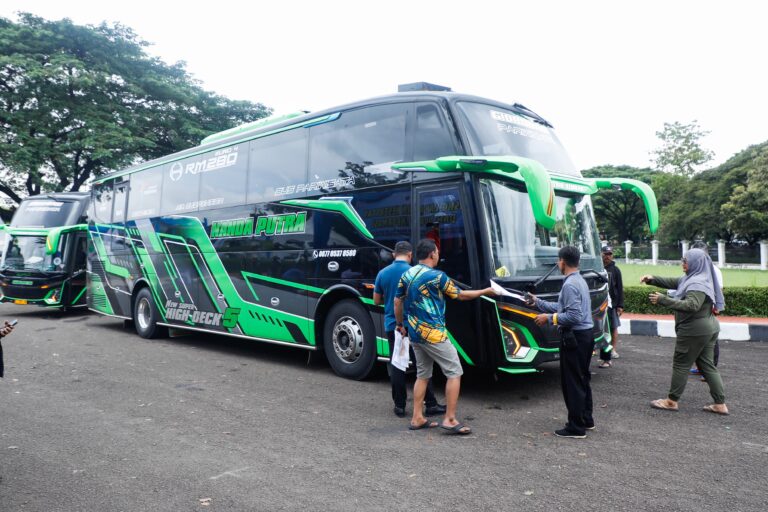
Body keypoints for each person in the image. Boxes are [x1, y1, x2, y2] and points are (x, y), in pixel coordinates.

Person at [394, 239, 497, 434]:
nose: (438, 255)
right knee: (454, 372)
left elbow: (397, 302)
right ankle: (449, 419)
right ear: (432, 254)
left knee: (422, 375)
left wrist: (400, 325)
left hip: (415, 332)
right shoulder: (437, 277)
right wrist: (486, 291)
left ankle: (417, 417)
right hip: (434, 334)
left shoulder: (406, 275)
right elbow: (460, 295)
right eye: (437, 252)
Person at [642, 248, 729, 415]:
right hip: (708, 327)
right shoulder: (699, 277)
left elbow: (691, 305)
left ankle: (671, 401)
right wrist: (653, 279)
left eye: (685, 260)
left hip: (694, 330)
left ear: (696, 263)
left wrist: (663, 300)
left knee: (681, 364)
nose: (683, 263)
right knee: (708, 365)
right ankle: (720, 404)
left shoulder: (697, 283)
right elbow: (675, 282)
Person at [527, 246, 595, 439]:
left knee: (572, 382)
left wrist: (549, 318)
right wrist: (537, 302)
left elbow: (573, 315)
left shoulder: (570, 285)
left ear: (562, 262)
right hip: (585, 335)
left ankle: (575, 427)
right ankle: (585, 419)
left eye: (558, 260)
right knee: (581, 378)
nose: (558, 264)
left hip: (575, 338)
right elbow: (563, 307)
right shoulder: (578, 281)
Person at [373, 241, 445, 418]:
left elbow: (376, 301)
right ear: (411, 255)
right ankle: (431, 404)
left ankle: (399, 406)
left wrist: (390, 303)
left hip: (393, 326)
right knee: (422, 366)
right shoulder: (414, 273)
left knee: (397, 364)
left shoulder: (382, 273)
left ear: (393, 254)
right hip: (415, 324)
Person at [689, 241, 723, 374]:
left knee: (710, 339)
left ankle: (709, 370)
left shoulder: (714, 270)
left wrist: (716, 306)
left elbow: (719, 290)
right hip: (696, 307)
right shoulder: (694, 268)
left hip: (708, 308)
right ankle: (699, 367)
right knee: (696, 337)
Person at [599, 245, 624, 368]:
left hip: (610, 305)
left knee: (611, 328)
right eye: (605, 254)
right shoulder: (597, 269)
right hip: (598, 305)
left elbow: (620, 288)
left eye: (609, 254)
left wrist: (620, 305)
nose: (607, 256)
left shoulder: (615, 270)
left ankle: (611, 351)